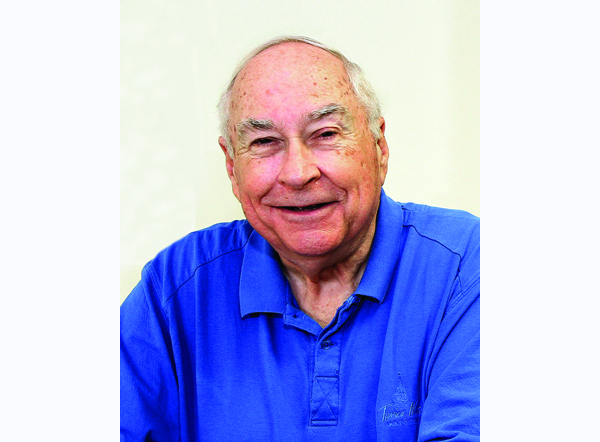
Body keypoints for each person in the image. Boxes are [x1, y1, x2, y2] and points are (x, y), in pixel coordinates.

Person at [120, 36, 480, 441]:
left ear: (379, 146)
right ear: (231, 166)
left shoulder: (466, 266)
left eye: (325, 134)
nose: (297, 173)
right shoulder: (176, 288)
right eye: (264, 142)